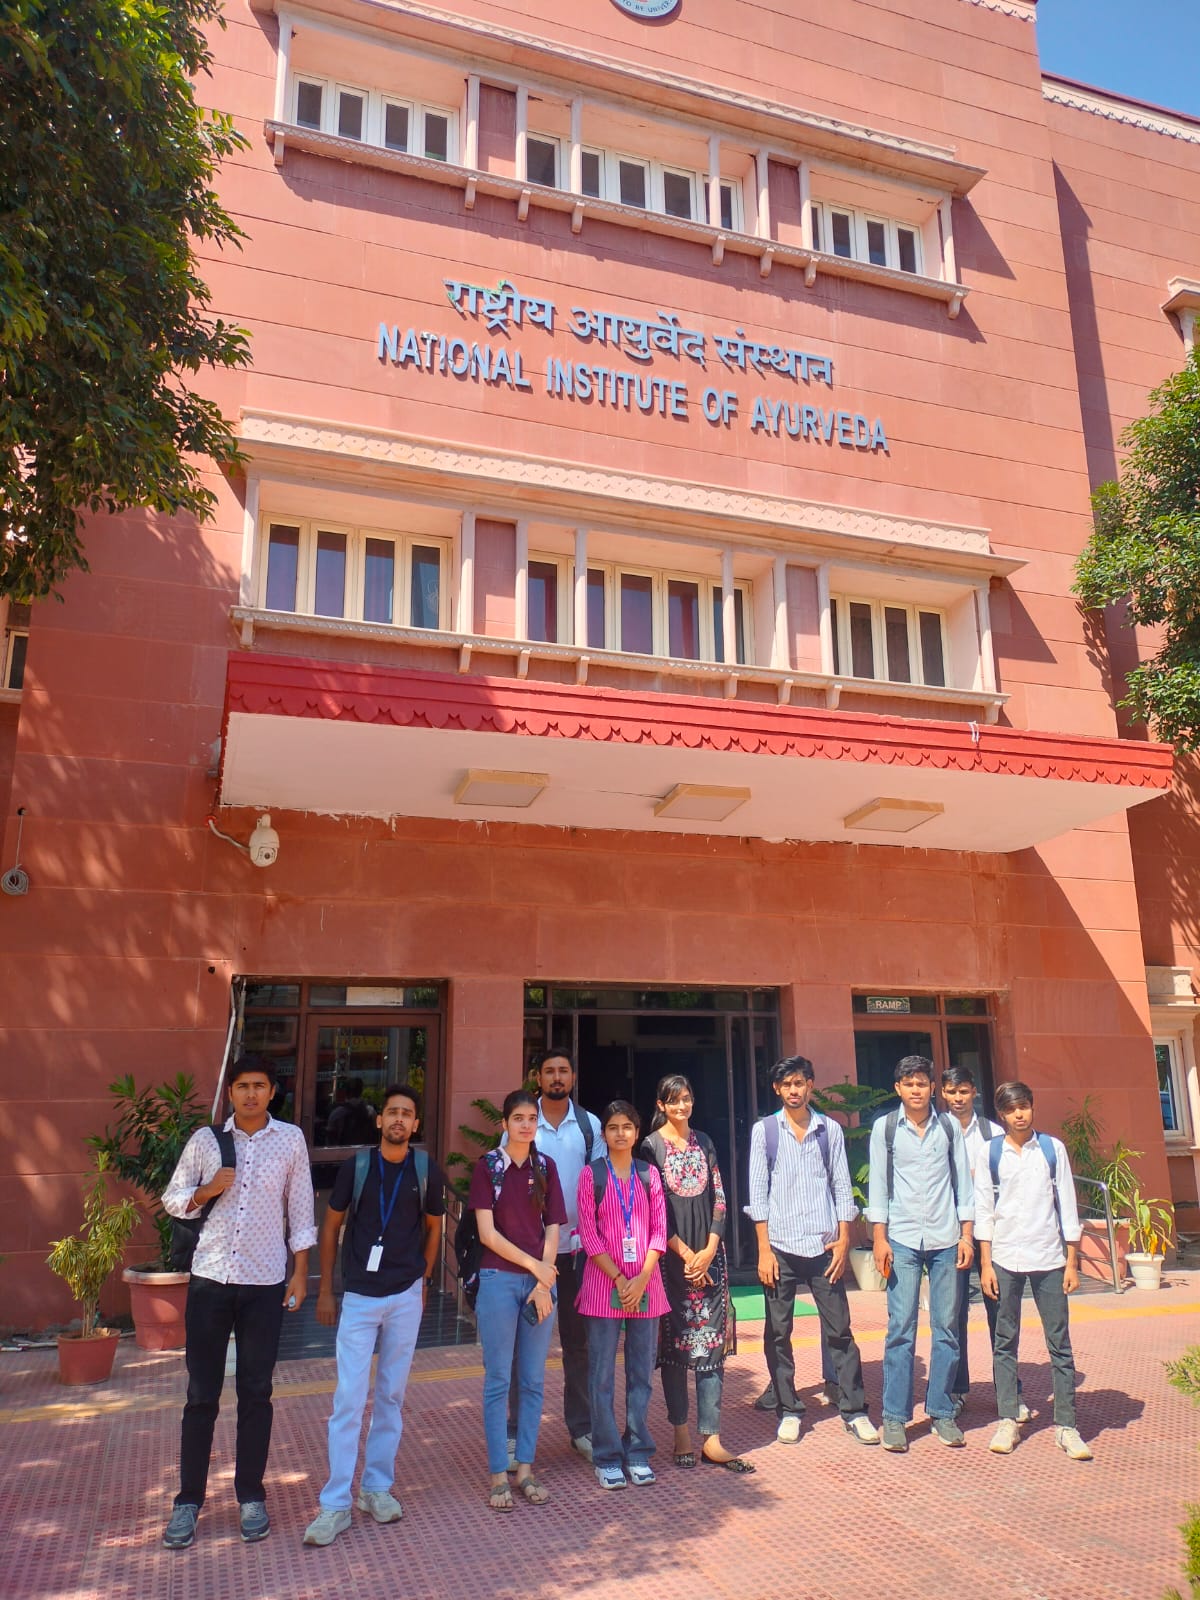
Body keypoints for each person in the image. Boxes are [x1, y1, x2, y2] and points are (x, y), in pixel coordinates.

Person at [161, 1059, 316, 1549]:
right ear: (230, 1092)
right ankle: (188, 1501)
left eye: (259, 1086)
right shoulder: (206, 1141)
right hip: (210, 1279)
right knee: (200, 1394)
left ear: (272, 1092)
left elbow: (301, 1210)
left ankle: (251, 1495)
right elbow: (172, 1198)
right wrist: (208, 1190)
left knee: (256, 1392)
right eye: (243, 1086)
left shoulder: (290, 1140)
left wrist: (301, 1273)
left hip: (265, 1282)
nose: (251, 1094)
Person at [302, 1084, 446, 1546]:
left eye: (408, 1113)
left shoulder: (425, 1169)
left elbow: (434, 1227)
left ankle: (376, 1488)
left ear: (415, 1124)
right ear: (380, 1120)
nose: (400, 1119)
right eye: (392, 1112)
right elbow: (331, 1227)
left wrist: (423, 1281)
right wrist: (326, 1290)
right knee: (348, 1398)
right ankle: (335, 1503)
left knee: (391, 1396)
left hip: (405, 1295)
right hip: (360, 1297)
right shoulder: (357, 1167)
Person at [747, 1056, 879, 1447]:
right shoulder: (764, 1131)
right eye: (786, 1083)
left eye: (800, 1082)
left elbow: (841, 1185)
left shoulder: (829, 1130)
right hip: (780, 1247)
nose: (794, 1090)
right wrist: (764, 1250)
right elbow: (757, 1193)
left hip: (824, 1247)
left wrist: (844, 1238)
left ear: (810, 1085)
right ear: (777, 1089)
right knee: (778, 1332)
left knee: (840, 1331)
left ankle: (854, 1410)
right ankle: (789, 1409)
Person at [640, 1074, 753, 1473]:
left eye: (687, 1098)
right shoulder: (651, 1146)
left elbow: (719, 1197)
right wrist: (688, 1255)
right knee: (675, 1350)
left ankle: (712, 1437)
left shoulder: (704, 1142)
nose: (682, 1106)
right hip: (671, 1261)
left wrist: (708, 1249)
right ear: (661, 1104)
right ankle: (681, 1433)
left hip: (710, 1256)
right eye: (674, 1100)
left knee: (712, 1347)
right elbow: (654, 1208)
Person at [975, 1080, 1092, 1460]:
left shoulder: (1052, 1149)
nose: (1019, 1114)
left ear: (1032, 1107)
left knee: (1060, 1344)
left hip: (1049, 1259)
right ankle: (1008, 1419)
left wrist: (1072, 1261)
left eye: (1024, 1106)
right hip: (1005, 1258)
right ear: (1001, 1115)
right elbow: (983, 1210)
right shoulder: (990, 1152)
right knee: (1004, 1341)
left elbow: (1068, 1208)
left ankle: (1067, 1427)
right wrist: (985, 1263)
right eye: (1011, 1109)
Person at [866, 1054, 974, 1452]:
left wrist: (967, 1236)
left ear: (932, 1088)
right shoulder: (885, 1128)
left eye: (922, 1083)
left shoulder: (948, 1127)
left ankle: (942, 1411)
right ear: (898, 1088)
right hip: (903, 1239)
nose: (916, 1090)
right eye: (909, 1083)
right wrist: (879, 1239)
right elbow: (879, 1186)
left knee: (947, 1329)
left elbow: (964, 1185)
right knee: (901, 1330)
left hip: (946, 1239)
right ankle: (895, 1418)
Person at [501, 1050, 602, 1464]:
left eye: (563, 1071)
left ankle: (582, 1428)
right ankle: (514, 1434)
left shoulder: (589, 1125)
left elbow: (599, 1186)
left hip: (577, 1253)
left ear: (573, 1076)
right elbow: (504, 1186)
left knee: (579, 1346)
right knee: (521, 1348)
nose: (557, 1077)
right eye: (549, 1071)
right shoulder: (524, 1122)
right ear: (537, 1078)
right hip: (529, 1257)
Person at [469, 1089, 566, 1511]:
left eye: (531, 1119)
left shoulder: (546, 1167)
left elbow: (553, 1227)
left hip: (539, 1286)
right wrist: (536, 1268)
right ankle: (497, 1476)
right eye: (518, 1118)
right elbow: (487, 1235)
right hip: (498, 1280)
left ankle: (525, 1469)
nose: (526, 1125)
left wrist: (543, 1283)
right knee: (497, 1380)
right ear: (505, 1123)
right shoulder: (488, 1167)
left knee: (532, 1380)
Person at [576, 1100, 670, 1490]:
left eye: (627, 1127)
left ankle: (638, 1451)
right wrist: (618, 1278)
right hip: (604, 1287)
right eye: (613, 1127)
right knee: (601, 1375)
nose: (620, 1133)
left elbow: (659, 1230)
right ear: (604, 1134)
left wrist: (642, 1276)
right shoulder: (591, 1175)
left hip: (646, 1285)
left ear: (636, 1132)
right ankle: (606, 1455)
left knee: (641, 1374)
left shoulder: (649, 1175)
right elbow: (588, 1232)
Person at [939, 1064, 1026, 1421]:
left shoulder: (993, 1132)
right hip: (952, 1232)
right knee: (953, 1312)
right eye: (951, 1091)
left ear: (974, 1092)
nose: (958, 1098)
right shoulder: (936, 1130)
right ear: (942, 1094)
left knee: (1000, 1311)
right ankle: (957, 1390)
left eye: (964, 1091)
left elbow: (1005, 1178)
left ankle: (1010, 1391)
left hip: (991, 1233)